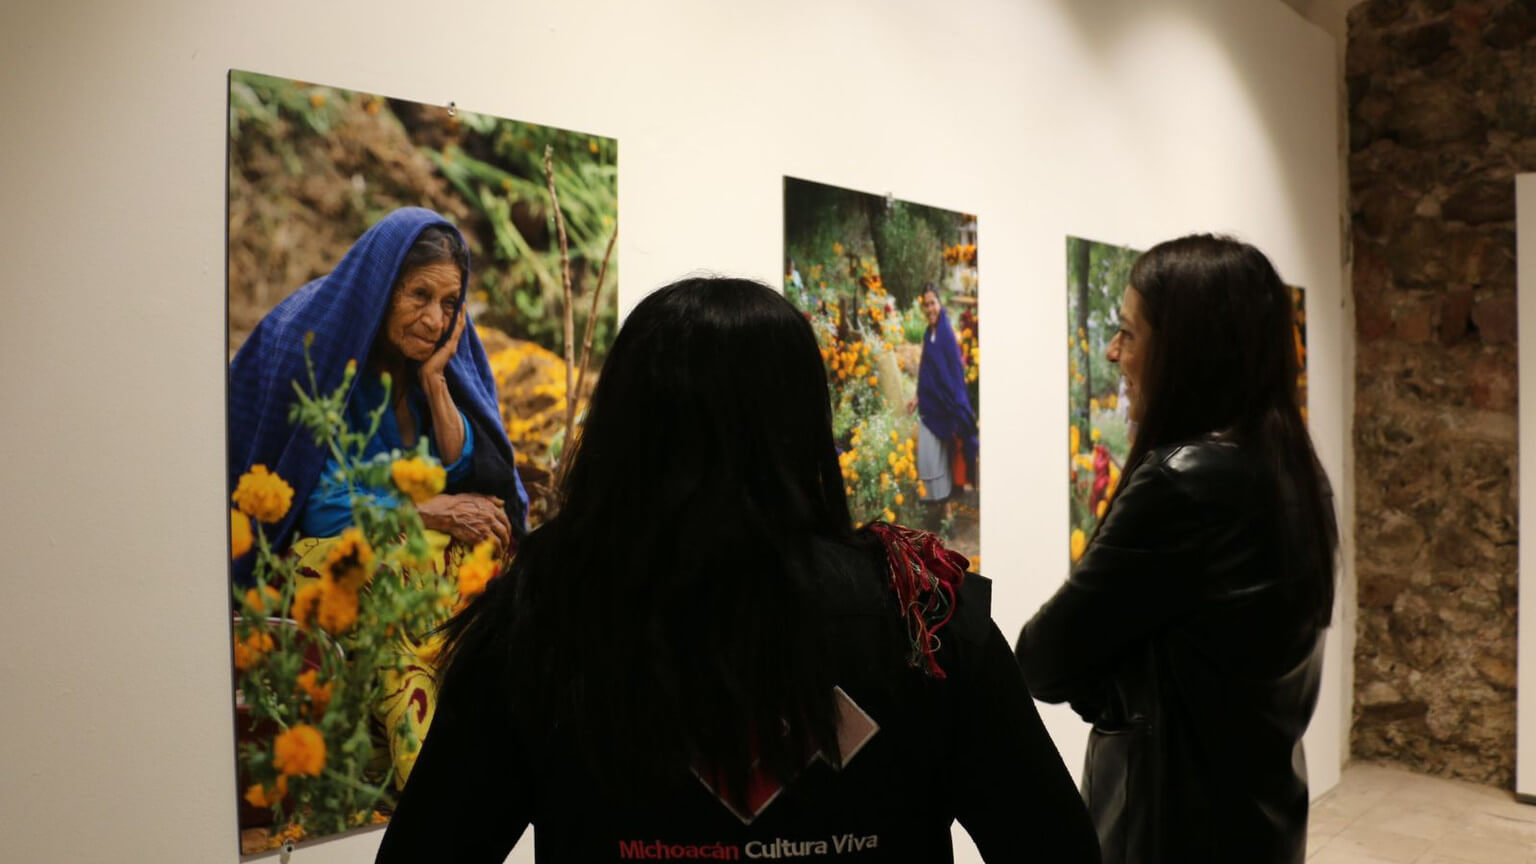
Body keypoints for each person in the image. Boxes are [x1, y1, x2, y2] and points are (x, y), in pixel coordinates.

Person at [376, 278, 1100, 863]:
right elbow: (1054, 847)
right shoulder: (927, 615)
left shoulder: (541, 616)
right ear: (805, 425)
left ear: (622, 427)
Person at [1016, 235, 1337, 864]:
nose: (1113, 352)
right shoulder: (1294, 471)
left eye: (1129, 334)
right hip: (1260, 824)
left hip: (1171, 834)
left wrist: (1109, 679)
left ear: (1186, 351)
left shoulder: (1183, 480)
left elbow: (1041, 657)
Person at [228, 206, 529, 783]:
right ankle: (431, 787)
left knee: (503, 573)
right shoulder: (317, 345)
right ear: (381, 287)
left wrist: (438, 383)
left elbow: (465, 468)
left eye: (449, 303)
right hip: (317, 556)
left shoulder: (422, 365)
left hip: (397, 547)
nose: (435, 319)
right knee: (401, 627)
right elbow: (313, 503)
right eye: (419, 295)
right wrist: (428, 508)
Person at [905, 285, 979, 528]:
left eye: (933, 303)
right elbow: (926, 368)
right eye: (926, 304)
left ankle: (947, 518)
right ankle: (937, 512)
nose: (930, 308)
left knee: (943, 459)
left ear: (940, 303)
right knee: (929, 458)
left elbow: (954, 372)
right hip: (929, 405)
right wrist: (917, 396)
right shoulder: (928, 333)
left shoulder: (946, 333)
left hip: (945, 405)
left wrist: (955, 403)